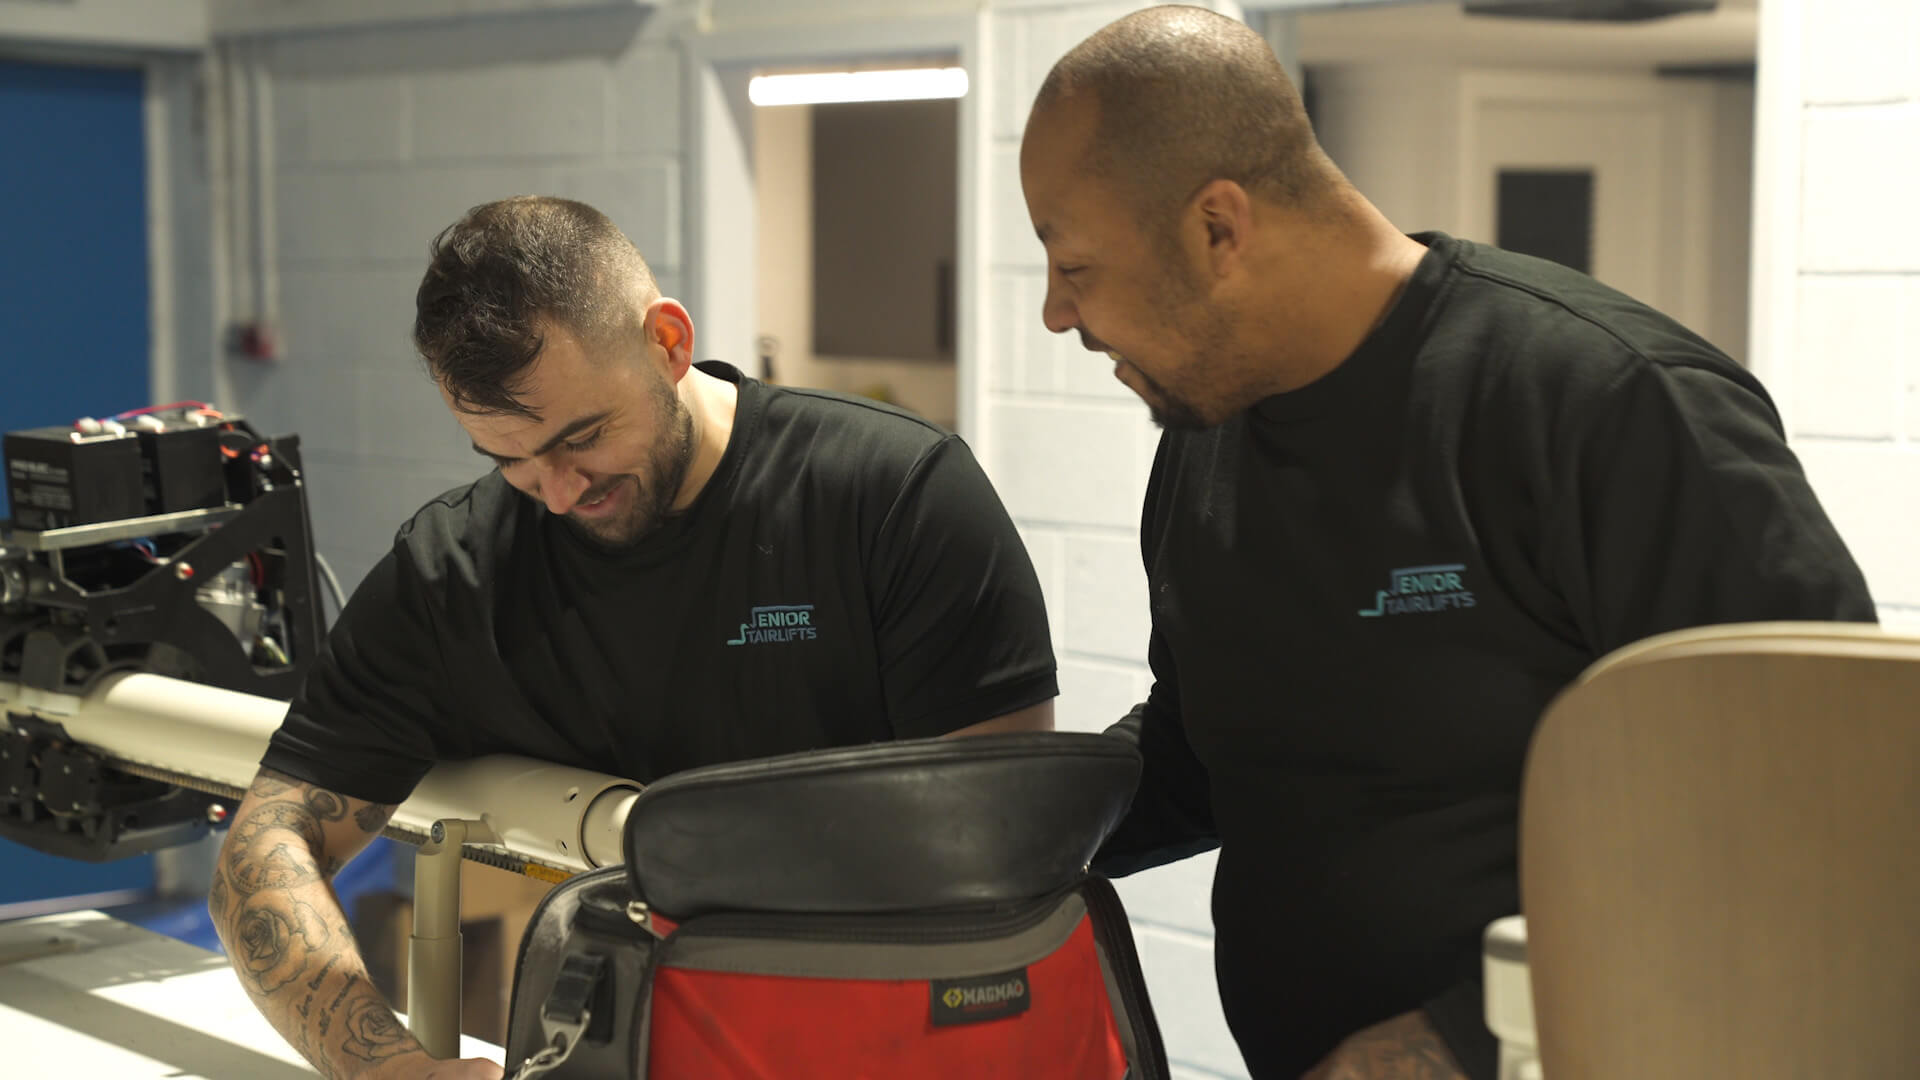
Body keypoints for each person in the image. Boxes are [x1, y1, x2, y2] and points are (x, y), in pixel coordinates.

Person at [1019, 7, 1875, 1080]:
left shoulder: (1604, 402)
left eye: (1075, 263)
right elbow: (1208, 754)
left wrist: (1458, 1039)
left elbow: (1828, 788)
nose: (1058, 314)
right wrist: (986, 836)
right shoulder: (1208, 438)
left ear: (1217, 229)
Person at [210, 196, 1058, 1079]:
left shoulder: (891, 497)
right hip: (610, 1045)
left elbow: (998, 851)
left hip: (890, 1043)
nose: (560, 492)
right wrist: (390, 1070)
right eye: (510, 460)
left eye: (584, 438)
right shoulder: (456, 572)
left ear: (667, 342)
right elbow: (264, 848)